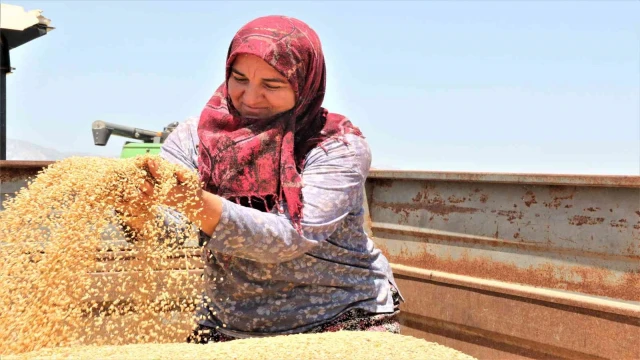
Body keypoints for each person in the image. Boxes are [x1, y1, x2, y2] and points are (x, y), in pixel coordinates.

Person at [140, 15, 404, 343]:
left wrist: (193, 201)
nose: (250, 97)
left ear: (304, 83)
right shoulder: (195, 139)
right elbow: (172, 229)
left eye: (272, 84)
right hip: (228, 324)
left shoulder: (335, 146)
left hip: (338, 317)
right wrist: (137, 213)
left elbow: (288, 238)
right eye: (239, 79)